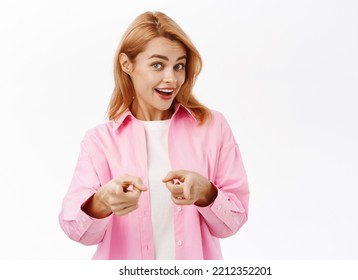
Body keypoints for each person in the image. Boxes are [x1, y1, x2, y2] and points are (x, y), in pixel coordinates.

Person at [59, 11, 249, 260]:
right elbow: (75, 230)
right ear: (127, 64)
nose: (171, 78)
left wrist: (207, 193)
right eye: (157, 65)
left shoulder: (212, 127)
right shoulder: (99, 141)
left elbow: (233, 221)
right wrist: (102, 201)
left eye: (178, 65)